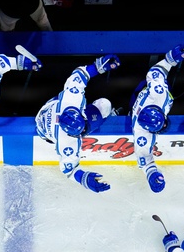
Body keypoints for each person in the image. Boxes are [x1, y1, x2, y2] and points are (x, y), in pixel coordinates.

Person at [35, 54, 120, 193]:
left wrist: (99, 66)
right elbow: (68, 169)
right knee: (105, 106)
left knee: (100, 105)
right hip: (46, 130)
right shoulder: (66, 142)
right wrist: (83, 179)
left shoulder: (71, 98)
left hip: (50, 108)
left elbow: (80, 74)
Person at [130, 44, 184, 193]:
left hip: (146, 90)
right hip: (135, 103)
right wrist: (151, 173)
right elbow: (143, 158)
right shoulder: (142, 134)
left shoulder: (158, 92)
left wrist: (170, 59)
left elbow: (156, 71)